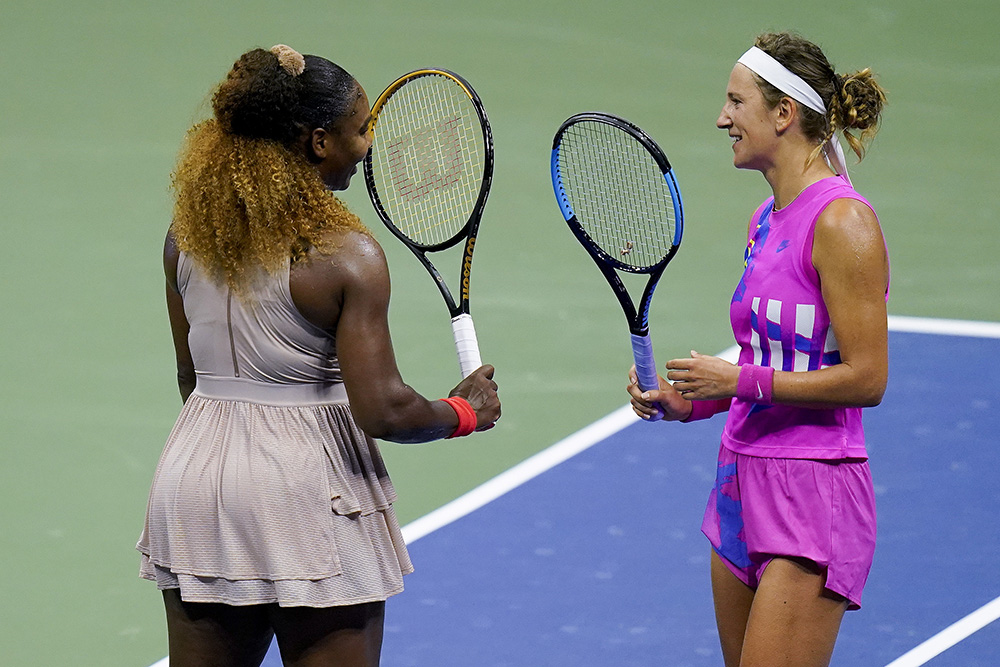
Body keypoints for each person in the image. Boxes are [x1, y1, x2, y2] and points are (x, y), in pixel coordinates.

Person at [136, 45, 501, 667]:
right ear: (317, 141)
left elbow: (189, 377)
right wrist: (463, 411)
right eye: (360, 130)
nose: (367, 145)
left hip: (195, 479)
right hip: (307, 491)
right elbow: (384, 410)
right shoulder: (346, 256)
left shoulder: (186, 238)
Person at [628, 32, 888, 666]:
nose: (723, 118)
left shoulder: (843, 224)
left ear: (783, 114)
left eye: (736, 102)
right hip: (740, 478)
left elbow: (866, 378)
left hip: (813, 486)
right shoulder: (766, 219)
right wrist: (692, 402)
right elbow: (773, 357)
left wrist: (738, 384)